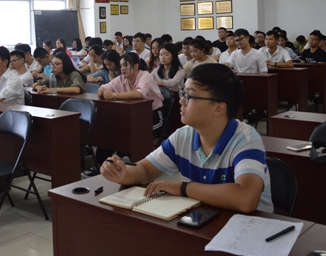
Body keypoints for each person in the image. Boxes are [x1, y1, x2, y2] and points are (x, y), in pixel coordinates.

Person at [101, 63, 273, 214]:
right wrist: (121, 173)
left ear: (219, 108)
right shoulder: (183, 136)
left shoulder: (246, 140)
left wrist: (183, 188)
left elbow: (246, 199)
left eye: (189, 96)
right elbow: (144, 170)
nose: (181, 101)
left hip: (248, 229)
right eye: (183, 92)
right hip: (205, 219)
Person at [97, 52, 164, 135]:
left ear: (136, 66)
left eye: (125, 65)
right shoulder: (122, 78)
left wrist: (114, 95)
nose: (122, 69)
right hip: (134, 115)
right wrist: (101, 91)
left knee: (137, 134)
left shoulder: (145, 76)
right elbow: (106, 86)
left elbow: (139, 94)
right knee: (115, 131)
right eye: (121, 66)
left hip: (153, 115)